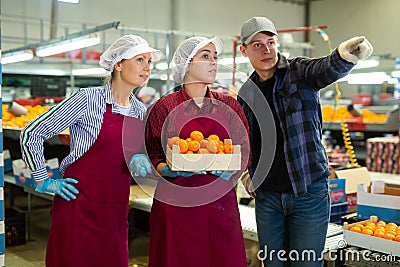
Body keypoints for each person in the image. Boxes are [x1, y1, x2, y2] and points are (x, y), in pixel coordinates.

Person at [237, 17, 373, 266]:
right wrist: (249, 169)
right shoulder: (246, 93)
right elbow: (248, 139)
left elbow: (325, 68)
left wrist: (345, 55)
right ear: (243, 50)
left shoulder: (298, 73)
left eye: (270, 42)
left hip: (308, 192)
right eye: (257, 45)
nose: (266, 50)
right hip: (268, 199)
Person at [20, 34, 162, 267]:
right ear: (118, 64)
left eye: (149, 62)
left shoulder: (140, 111)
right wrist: (42, 179)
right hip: (78, 207)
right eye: (140, 60)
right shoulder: (87, 100)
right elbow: (31, 133)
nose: (147, 67)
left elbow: (134, 152)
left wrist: (139, 157)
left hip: (115, 212)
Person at [145, 36, 251, 267]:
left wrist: (230, 170)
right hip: (175, 206)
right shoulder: (164, 107)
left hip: (220, 204)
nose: (213, 62)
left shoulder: (230, 106)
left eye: (215, 57)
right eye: (205, 56)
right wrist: (166, 170)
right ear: (186, 64)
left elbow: (244, 149)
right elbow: (152, 154)